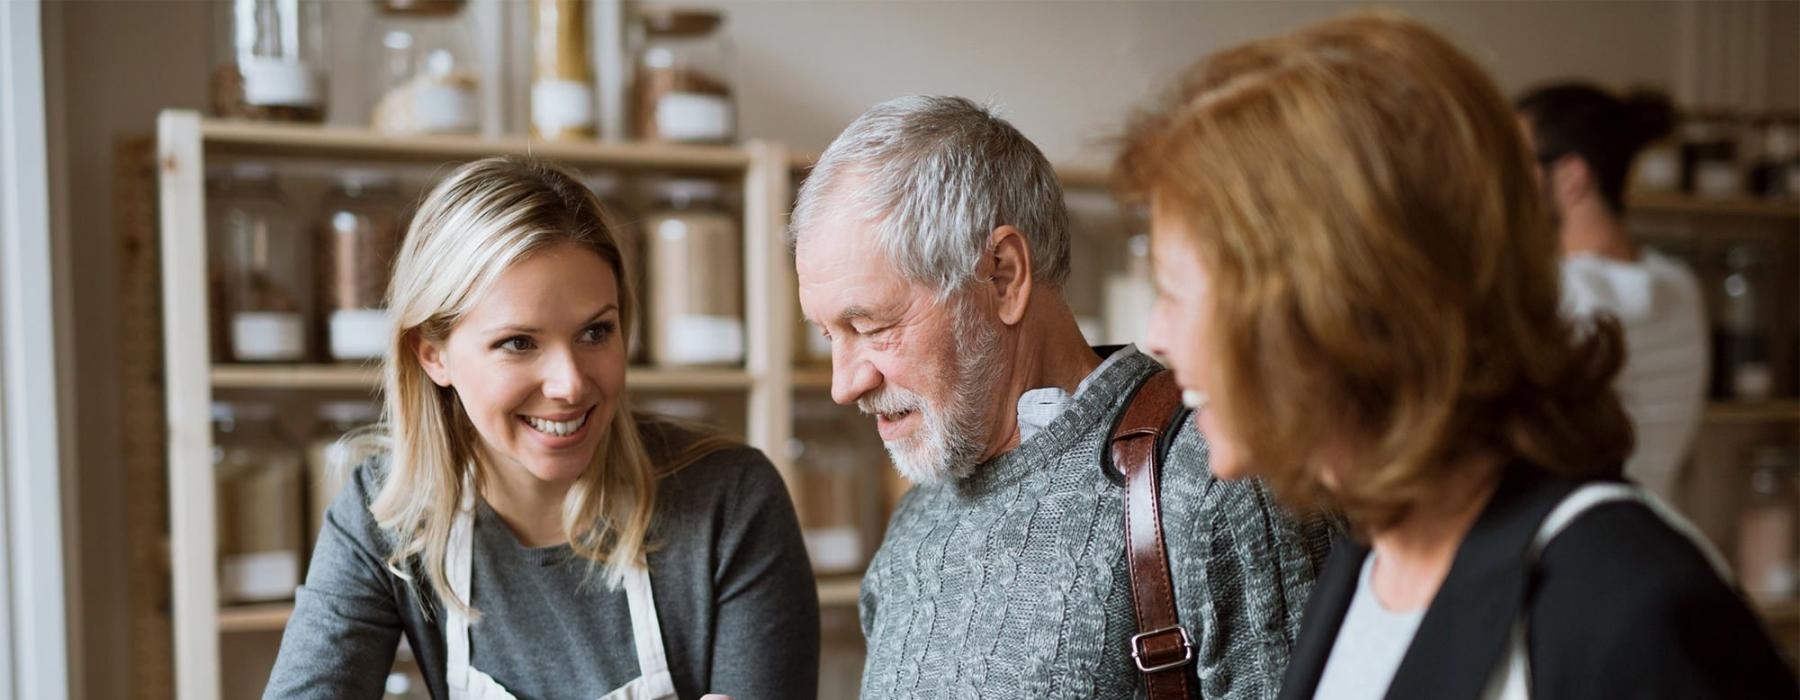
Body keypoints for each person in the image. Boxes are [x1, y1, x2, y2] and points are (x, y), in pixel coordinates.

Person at [1116, 11, 1798, 699]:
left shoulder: (1628, 609)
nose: (1154, 336)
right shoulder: (1373, 555)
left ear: (1335, 304)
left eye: (1173, 290)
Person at [791, 95, 1335, 699]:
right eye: (827, 336)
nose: (845, 385)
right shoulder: (917, 524)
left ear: (1002, 276)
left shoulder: (1218, 484)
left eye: (871, 328)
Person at [265, 156, 819, 699]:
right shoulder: (384, 511)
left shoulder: (730, 499)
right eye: (518, 343)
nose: (570, 384)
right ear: (434, 356)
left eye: (596, 332)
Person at [1516, 83, 1708, 502]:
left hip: (1581, 536)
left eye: (1517, 163)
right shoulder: (1679, 283)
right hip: (1657, 520)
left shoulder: (1564, 293)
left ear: (1571, 177)